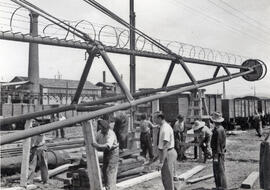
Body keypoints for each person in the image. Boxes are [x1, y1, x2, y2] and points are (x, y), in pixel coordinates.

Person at [92, 120, 119, 190]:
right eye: (102, 129)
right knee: (104, 170)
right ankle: (108, 187)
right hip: (106, 152)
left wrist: (97, 145)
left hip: (113, 152)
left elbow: (107, 146)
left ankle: (112, 188)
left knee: (110, 170)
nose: (103, 130)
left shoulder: (111, 133)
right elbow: (94, 141)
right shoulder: (99, 133)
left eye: (105, 129)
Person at [156, 113, 177, 190]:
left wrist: (161, 161)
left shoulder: (165, 129)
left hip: (168, 153)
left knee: (168, 177)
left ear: (160, 118)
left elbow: (165, 145)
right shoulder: (162, 127)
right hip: (165, 153)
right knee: (165, 177)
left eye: (155, 118)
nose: (154, 120)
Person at [28, 119, 49, 184]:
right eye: (32, 122)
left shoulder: (40, 129)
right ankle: (29, 181)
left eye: (34, 122)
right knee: (31, 165)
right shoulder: (29, 129)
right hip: (33, 148)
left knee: (43, 165)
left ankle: (45, 180)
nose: (33, 123)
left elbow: (40, 134)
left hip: (41, 147)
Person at [210, 112, 227, 190]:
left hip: (217, 153)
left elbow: (217, 143)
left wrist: (216, 155)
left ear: (214, 122)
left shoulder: (217, 130)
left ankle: (220, 187)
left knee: (218, 170)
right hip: (220, 152)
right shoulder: (221, 128)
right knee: (220, 169)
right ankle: (221, 186)